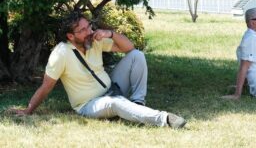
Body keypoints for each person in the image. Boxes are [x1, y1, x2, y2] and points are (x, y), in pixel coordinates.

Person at [10, 11, 186, 129]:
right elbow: (46, 87)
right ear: (71, 36)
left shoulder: (94, 40)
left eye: (89, 26)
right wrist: (28, 110)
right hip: (89, 104)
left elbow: (129, 47)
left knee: (137, 55)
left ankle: (137, 105)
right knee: (115, 103)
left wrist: (109, 34)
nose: (89, 31)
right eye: (82, 30)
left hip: (112, 89)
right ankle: (164, 119)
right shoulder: (61, 54)